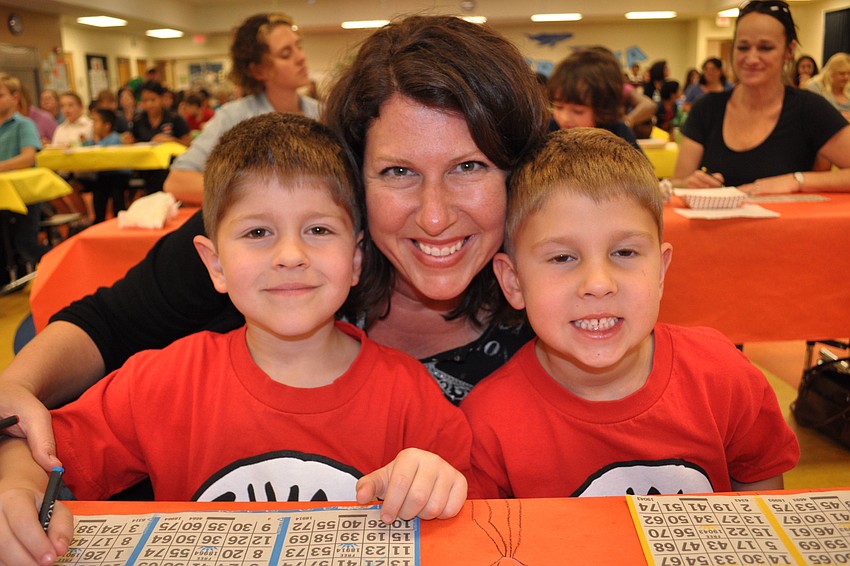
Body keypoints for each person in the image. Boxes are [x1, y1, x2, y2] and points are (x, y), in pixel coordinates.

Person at [0, 14, 547, 474]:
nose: (434, 215)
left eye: (470, 166)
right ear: (354, 175)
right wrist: (15, 403)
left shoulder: (561, 278)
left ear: (516, 171)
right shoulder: (271, 252)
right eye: (398, 170)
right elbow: (106, 325)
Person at [0, 113, 471, 565]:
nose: (290, 255)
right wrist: (16, 488)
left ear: (356, 258)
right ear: (215, 264)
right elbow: (40, 447)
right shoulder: (161, 382)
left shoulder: (408, 395)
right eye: (258, 231)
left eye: (319, 229)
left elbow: (473, 510)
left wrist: (436, 485)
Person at [461, 127, 800, 498]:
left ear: (660, 271)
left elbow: (762, 500)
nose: (598, 283)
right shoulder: (489, 423)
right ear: (513, 282)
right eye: (562, 257)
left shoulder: (725, 377)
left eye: (624, 253)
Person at [672, 0, 850, 193]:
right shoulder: (706, 108)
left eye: (765, 48)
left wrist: (796, 180)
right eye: (743, 47)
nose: (751, 58)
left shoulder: (809, 108)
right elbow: (678, 183)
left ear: (789, 50)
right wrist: (688, 184)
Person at [165, 13, 319, 204]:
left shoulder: (323, 114)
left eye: (299, 47)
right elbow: (178, 181)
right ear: (257, 70)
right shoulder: (234, 117)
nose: (301, 57)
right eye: (286, 54)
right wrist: (257, 197)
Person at [547, 47, 642, 150]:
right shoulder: (550, 130)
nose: (564, 118)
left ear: (603, 110)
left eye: (578, 111)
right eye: (559, 107)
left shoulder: (619, 132)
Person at [0, 73, 48, 266]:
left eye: (0, 95)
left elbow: (28, 157)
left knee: (25, 243)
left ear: (15, 97)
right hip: (3, 194)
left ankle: (57, 265)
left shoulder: (24, 124)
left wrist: (1, 167)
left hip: (25, 196)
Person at [124, 80, 191, 196]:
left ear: (161, 98)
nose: (149, 104)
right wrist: (128, 141)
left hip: (171, 168)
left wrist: (172, 140)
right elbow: (132, 141)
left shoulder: (174, 118)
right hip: (145, 169)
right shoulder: (138, 120)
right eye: (145, 101)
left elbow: (189, 144)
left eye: (153, 100)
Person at [82, 109, 130, 223]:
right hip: (103, 174)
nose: (93, 125)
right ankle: (98, 220)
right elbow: (86, 148)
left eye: (96, 122)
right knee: (98, 196)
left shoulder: (115, 138)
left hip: (118, 174)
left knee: (117, 198)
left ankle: (120, 220)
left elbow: (105, 152)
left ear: (107, 125)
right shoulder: (95, 140)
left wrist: (97, 142)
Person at [806, 52, 850, 121]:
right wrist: (839, 115)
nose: (846, 77)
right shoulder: (815, 87)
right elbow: (812, 113)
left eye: (849, 73)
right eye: (842, 74)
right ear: (831, 73)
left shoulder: (848, 88)